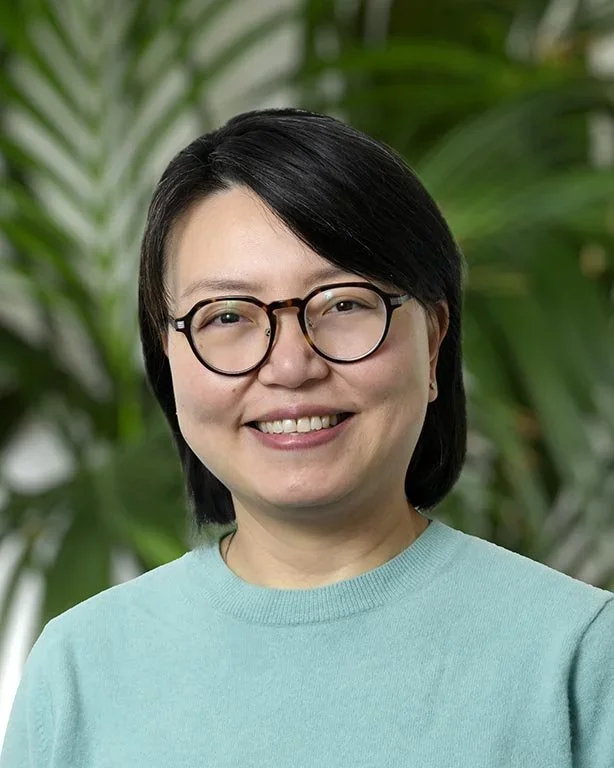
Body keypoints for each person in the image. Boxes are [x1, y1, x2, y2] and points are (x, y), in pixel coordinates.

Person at [1, 107, 612, 767]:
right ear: (168, 357)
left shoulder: (578, 654)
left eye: (345, 304)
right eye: (226, 315)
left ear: (432, 344)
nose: (291, 366)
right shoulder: (79, 671)